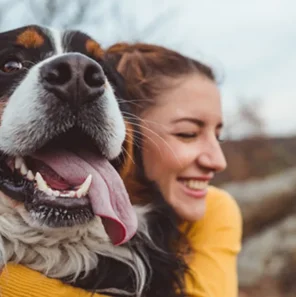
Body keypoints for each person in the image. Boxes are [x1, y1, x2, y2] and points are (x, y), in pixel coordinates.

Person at [0, 43, 243, 297]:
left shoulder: (214, 207)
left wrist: (9, 283)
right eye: (188, 134)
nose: (218, 161)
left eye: (219, 137)